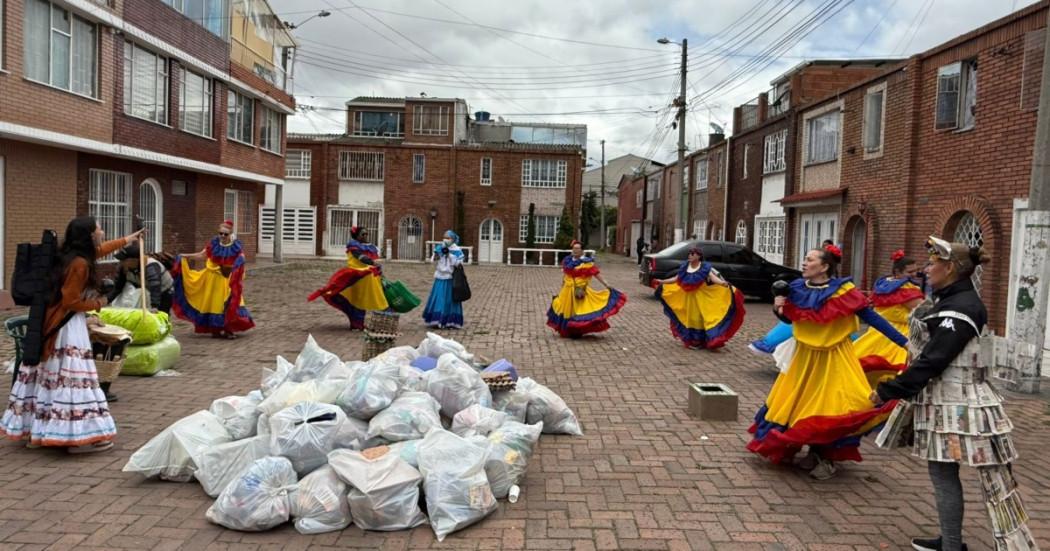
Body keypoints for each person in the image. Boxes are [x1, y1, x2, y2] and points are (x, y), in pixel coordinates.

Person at [872, 237, 1037, 551]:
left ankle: (1008, 546)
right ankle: (950, 542)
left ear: (950, 268)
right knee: (942, 471)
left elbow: (935, 358)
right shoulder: (950, 300)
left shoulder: (962, 306)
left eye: (933, 263)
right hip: (946, 405)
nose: (927, 268)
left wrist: (890, 390)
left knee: (995, 483)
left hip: (967, 407)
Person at [747, 244, 907, 480]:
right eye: (805, 258)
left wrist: (904, 343)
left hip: (833, 357)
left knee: (832, 406)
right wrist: (778, 309)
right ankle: (809, 450)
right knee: (797, 405)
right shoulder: (797, 288)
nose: (804, 263)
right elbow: (791, 320)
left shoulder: (844, 292)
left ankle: (826, 457)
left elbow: (873, 319)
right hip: (804, 359)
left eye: (810, 260)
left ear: (824, 267)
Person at [1, 217, 144, 453]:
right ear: (89, 235)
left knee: (49, 377)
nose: (102, 231)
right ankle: (77, 438)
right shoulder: (80, 264)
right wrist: (97, 304)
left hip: (52, 323)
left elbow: (98, 252)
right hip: (67, 328)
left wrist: (127, 240)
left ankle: (40, 432)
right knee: (74, 379)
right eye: (98, 227)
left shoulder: (66, 255)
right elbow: (71, 301)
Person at [171, 220, 254, 339]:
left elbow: (240, 258)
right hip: (211, 278)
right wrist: (185, 256)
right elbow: (202, 255)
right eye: (220, 233)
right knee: (213, 303)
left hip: (226, 280)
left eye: (225, 234)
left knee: (226, 303)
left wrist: (239, 263)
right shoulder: (214, 243)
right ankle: (215, 329)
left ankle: (227, 329)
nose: (222, 236)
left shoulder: (235, 246)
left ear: (230, 234)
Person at [853, 250, 924, 386]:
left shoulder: (883, 284)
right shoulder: (906, 288)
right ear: (898, 272)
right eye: (910, 272)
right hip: (901, 332)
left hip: (878, 332)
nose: (914, 274)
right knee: (901, 365)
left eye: (916, 270)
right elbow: (921, 312)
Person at [655, 247, 745, 350]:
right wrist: (662, 281)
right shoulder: (685, 267)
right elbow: (675, 279)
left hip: (701, 298)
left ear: (698, 256)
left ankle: (700, 341)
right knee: (690, 318)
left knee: (699, 318)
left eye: (692, 254)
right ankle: (694, 340)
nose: (690, 256)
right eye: (689, 254)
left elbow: (713, 277)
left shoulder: (704, 267)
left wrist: (722, 283)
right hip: (688, 299)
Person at [308, 226, 388, 330]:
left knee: (363, 300)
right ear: (356, 236)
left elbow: (370, 260)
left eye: (366, 234)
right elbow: (360, 257)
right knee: (357, 300)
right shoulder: (354, 246)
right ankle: (356, 323)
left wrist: (378, 271)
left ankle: (358, 323)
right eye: (363, 234)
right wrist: (372, 263)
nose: (365, 236)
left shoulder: (368, 246)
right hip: (355, 276)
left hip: (367, 277)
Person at [547, 241, 626, 338]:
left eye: (577, 248)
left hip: (579, 290)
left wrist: (606, 284)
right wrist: (562, 285)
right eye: (574, 248)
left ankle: (576, 331)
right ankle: (567, 330)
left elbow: (596, 274)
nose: (575, 250)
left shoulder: (586, 262)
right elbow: (565, 274)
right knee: (565, 309)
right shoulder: (567, 261)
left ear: (582, 251)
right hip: (567, 290)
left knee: (579, 310)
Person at [107, 242, 174, 315]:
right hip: (146, 291)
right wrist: (107, 300)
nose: (121, 262)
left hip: (164, 291)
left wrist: (154, 306)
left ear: (134, 260)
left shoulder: (151, 266)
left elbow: (155, 286)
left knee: (162, 315)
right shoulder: (124, 268)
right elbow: (118, 287)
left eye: (124, 260)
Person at [422, 230, 465, 329]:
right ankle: (437, 320)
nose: (445, 239)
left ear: (453, 239)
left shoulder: (457, 250)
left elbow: (458, 264)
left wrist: (449, 255)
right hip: (440, 277)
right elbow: (433, 260)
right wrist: (439, 252)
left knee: (449, 300)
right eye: (444, 237)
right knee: (439, 298)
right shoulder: (440, 247)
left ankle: (450, 321)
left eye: (448, 238)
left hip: (451, 278)